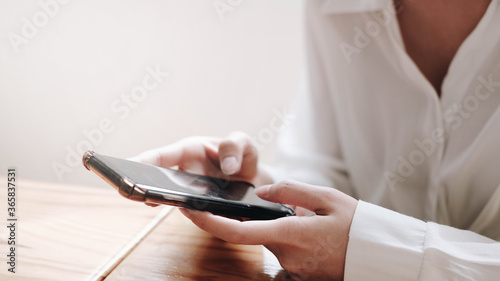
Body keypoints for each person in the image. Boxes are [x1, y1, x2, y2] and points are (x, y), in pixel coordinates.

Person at [135, 0, 500, 280]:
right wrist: (262, 193)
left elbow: (356, 238)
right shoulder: (332, 8)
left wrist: (367, 250)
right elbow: (328, 170)